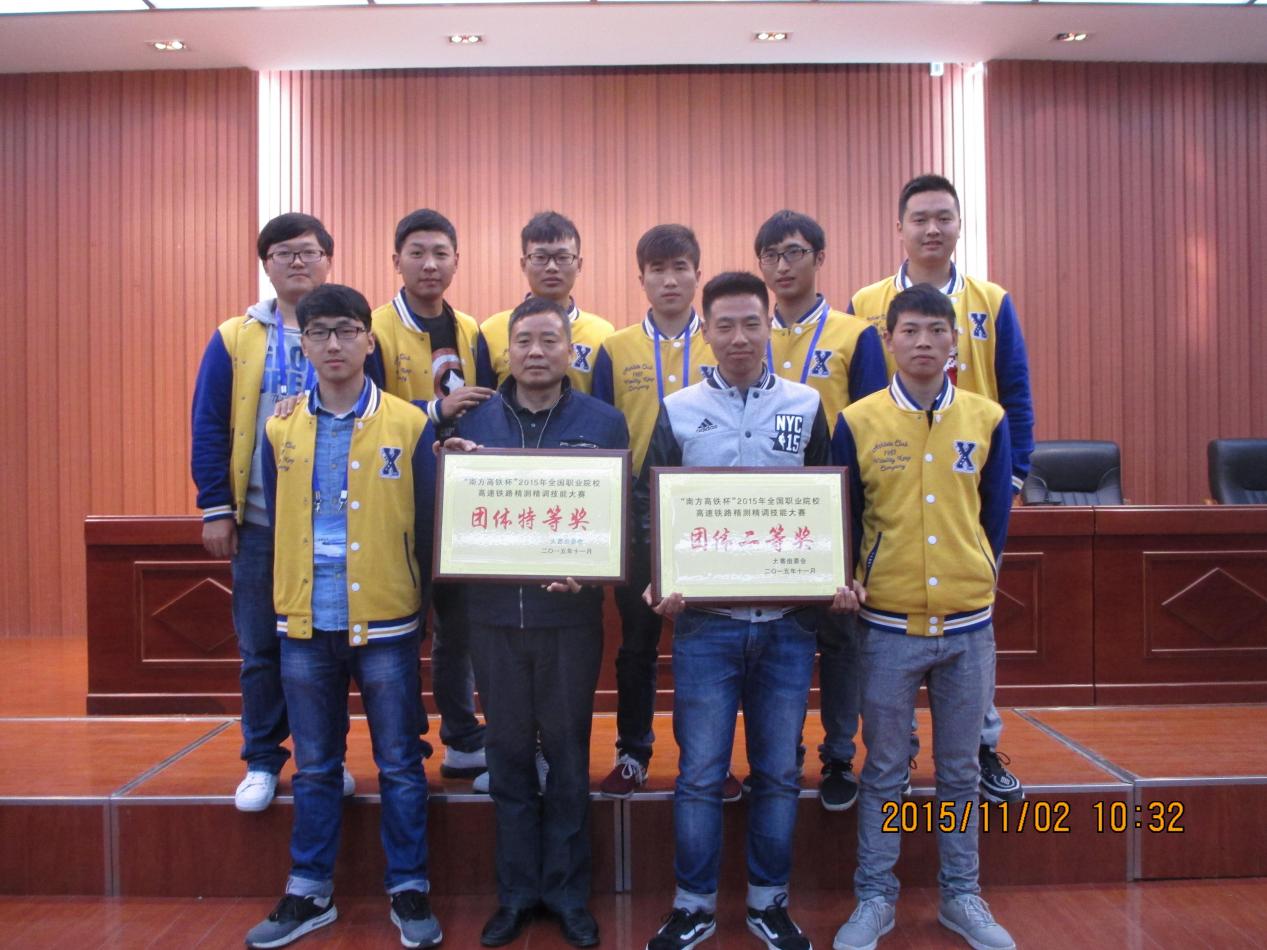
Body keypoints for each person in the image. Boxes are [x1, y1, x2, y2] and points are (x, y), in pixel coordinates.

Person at [640, 272, 836, 950]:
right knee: (699, 773)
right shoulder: (678, 409)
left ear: (767, 326)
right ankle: (692, 904)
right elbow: (648, 507)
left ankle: (767, 902)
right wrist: (660, 580)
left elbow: (831, 504)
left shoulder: (806, 405)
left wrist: (832, 576)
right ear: (705, 330)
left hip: (786, 626)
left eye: (751, 323)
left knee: (778, 771)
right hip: (705, 627)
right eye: (723, 325)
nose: (739, 337)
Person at [247, 283, 441, 949]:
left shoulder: (409, 424)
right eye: (319, 332)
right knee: (317, 765)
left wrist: (423, 608)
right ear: (303, 344)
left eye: (346, 331)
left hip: (386, 621)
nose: (333, 344)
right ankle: (308, 889)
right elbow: (276, 522)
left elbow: (427, 522)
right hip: (306, 622)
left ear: (368, 339)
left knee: (399, 762)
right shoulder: (280, 427)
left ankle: (409, 885)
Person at [831, 284, 1015, 950]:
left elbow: (994, 516)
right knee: (884, 769)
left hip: (967, 629)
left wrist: (977, 573)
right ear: (887, 340)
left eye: (936, 331)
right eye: (908, 331)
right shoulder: (857, 421)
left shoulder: (987, 417)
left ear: (954, 341)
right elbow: (845, 515)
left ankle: (961, 895)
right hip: (886, 627)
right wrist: (851, 575)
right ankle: (874, 897)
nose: (923, 343)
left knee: (960, 771)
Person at [445, 296, 629, 949]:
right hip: (493, 619)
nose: (535, 352)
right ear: (506, 351)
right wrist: (448, 465)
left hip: (569, 619)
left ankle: (568, 895)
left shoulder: (602, 421)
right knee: (509, 755)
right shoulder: (475, 423)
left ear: (569, 350)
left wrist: (594, 572)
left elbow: (618, 518)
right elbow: (449, 513)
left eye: (549, 340)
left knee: (570, 756)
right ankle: (518, 893)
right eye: (524, 340)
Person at [848, 174, 1034, 804]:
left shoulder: (991, 300)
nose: (932, 229)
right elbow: (861, 395)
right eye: (920, 218)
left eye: (944, 218)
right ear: (899, 228)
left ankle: (980, 746)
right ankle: (896, 752)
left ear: (959, 225)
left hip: (966, 483)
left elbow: (1016, 391)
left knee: (972, 629)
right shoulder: (866, 302)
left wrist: (1010, 477)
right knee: (888, 644)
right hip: (895, 484)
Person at [191, 212, 354, 812]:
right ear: (266, 265)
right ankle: (261, 760)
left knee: (327, 653)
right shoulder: (235, 337)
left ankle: (324, 760)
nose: (297, 261)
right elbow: (209, 423)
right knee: (261, 649)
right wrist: (216, 507)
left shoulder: (353, 328)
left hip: (334, 523)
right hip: (262, 522)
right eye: (283, 253)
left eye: (308, 251)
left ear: (327, 260)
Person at [591, 224, 731, 800]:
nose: (669, 280)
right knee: (637, 643)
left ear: (698, 274)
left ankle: (712, 759)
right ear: (641, 278)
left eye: (680, 268)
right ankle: (633, 751)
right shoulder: (615, 348)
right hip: (635, 513)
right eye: (657, 270)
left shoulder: (722, 339)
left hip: (708, 513)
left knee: (711, 643)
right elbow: (602, 432)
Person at [755, 209, 887, 813]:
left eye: (795, 253)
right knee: (774, 638)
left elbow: (875, 421)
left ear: (819, 258)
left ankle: (838, 753)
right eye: (771, 256)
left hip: (833, 510)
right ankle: (780, 751)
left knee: (838, 637)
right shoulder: (747, 328)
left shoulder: (855, 335)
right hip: (758, 513)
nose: (783, 266)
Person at [367, 208, 496, 788]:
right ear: (396, 260)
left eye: (441, 253)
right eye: (417, 253)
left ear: (456, 261)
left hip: (464, 500)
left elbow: (487, 408)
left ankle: (463, 737)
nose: (429, 264)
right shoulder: (374, 327)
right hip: (398, 499)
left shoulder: (471, 329)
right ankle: (401, 748)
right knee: (402, 625)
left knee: (461, 625)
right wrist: (433, 412)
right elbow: (366, 411)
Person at [477, 211, 614, 394]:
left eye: (563, 257)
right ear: (523, 264)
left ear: (579, 265)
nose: (552, 267)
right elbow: (483, 403)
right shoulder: (491, 331)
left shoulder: (603, 334)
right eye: (540, 257)